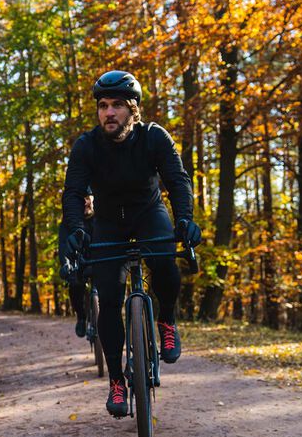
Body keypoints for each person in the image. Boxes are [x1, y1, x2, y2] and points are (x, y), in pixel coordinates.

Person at [61, 70, 201, 418]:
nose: (109, 113)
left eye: (118, 106)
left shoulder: (154, 137)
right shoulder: (86, 145)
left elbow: (177, 180)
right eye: (103, 106)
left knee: (166, 265)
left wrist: (184, 218)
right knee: (108, 297)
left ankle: (166, 320)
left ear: (133, 110)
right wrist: (77, 229)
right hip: (108, 222)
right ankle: (116, 381)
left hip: (148, 212)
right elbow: (74, 193)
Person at [59, 196, 95, 338]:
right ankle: (81, 317)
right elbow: (63, 245)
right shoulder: (70, 222)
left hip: (99, 259)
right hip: (80, 261)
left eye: (87, 198)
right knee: (74, 283)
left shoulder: (102, 217)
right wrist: (66, 264)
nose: (85, 201)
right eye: (82, 198)